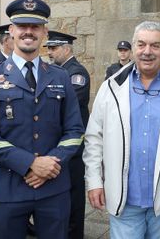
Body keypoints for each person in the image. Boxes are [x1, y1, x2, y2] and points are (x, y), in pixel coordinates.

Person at [0, 0, 85, 239]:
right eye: (22, 26)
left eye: (35, 27)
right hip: (8, 188)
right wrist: (31, 164)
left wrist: (50, 164)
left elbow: (75, 131)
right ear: (11, 31)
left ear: (44, 32)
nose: (28, 32)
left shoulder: (60, 76)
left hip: (54, 187)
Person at [83, 21, 160, 239]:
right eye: (141, 45)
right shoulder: (110, 88)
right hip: (124, 200)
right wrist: (93, 181)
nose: (147, 52)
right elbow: (94, 139)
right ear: (133, 48)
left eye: (155, 45)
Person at [45, 30, 90, 239]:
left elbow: (61, 105)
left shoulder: (76, 73)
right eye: (49, 48)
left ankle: (74, 234)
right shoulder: (56, 72)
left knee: (73, 194)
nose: (50, 53)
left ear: (66, 48)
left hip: (73, 147)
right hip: (58, 144)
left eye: (54, 48)